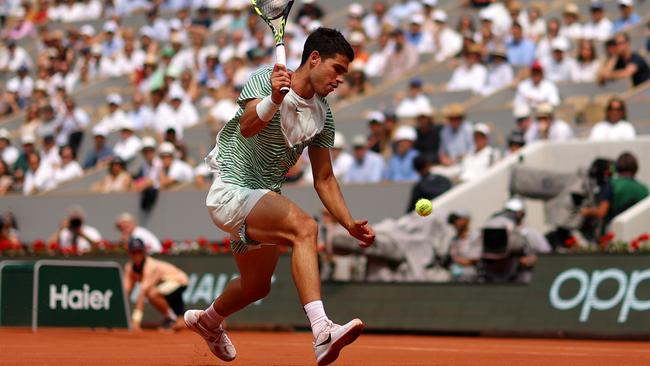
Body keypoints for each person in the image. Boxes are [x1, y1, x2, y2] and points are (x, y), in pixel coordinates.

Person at [186, 28, 375, 366]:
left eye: (344, 74)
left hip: (261, 199)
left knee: (256, 286)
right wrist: (274, 98)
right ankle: (321, 331)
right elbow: (246, 127)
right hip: (231, 189)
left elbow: (325, 178)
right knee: (304, 228)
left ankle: (209, 321)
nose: (340, 80)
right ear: (314, 59)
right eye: (337, 69)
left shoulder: (323, 116)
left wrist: (348, 223)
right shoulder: (266, 78)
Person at [123, 237, 188, 331]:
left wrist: (135, 321)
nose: (137, 255)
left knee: (151, 293)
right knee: (152, 293)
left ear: (144, 251)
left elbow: (142, 293)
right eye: (134, 252)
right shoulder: (129, 268)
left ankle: (172, 319)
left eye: (139, 251)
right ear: (129, 253)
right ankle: (177, 319)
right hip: (164, 284)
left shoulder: (151, 267)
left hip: (179, 280)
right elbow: (125, 292)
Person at [581, 152, 648, 233]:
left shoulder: (611, 185)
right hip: (639, 233)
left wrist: (586, 211)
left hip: (614, 234)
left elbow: (601, 212)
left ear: (617, 167)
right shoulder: (644, 189)